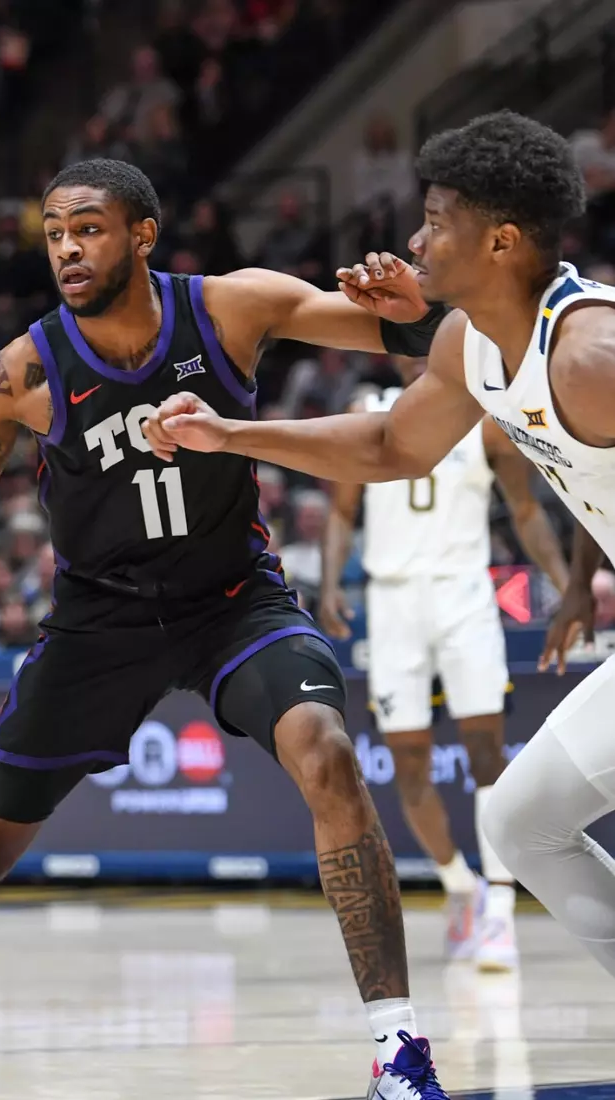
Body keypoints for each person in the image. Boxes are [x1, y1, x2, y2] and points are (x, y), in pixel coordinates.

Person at [0, 159, 447, 1100]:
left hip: (233, 600)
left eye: (87, 228)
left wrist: (413, 306)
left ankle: (397, 1048)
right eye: (53, 234)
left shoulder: (233, 308)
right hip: (99, 623)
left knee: (325, 747)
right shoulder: (21, 373)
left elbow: (407, 337)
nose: (68, 249)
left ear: (143, 236)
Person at [145, 110, 615, 985]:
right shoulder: (469, 343)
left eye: (438, 220)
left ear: (503, 241)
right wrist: (230, 434)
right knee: (522, 822)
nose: (413, 238)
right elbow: (389, 448)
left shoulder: (592, 354)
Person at [320, 355, 570, 972]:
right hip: (393, 599)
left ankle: (500, 913)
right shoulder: (368, 413)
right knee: (408, 766)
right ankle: (462, 886)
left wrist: (566, 585)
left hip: (464, 594)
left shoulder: (485, 418)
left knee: (487, 753)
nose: (415, 353)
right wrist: (329, 584)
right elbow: (343, 511)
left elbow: (528, 509)